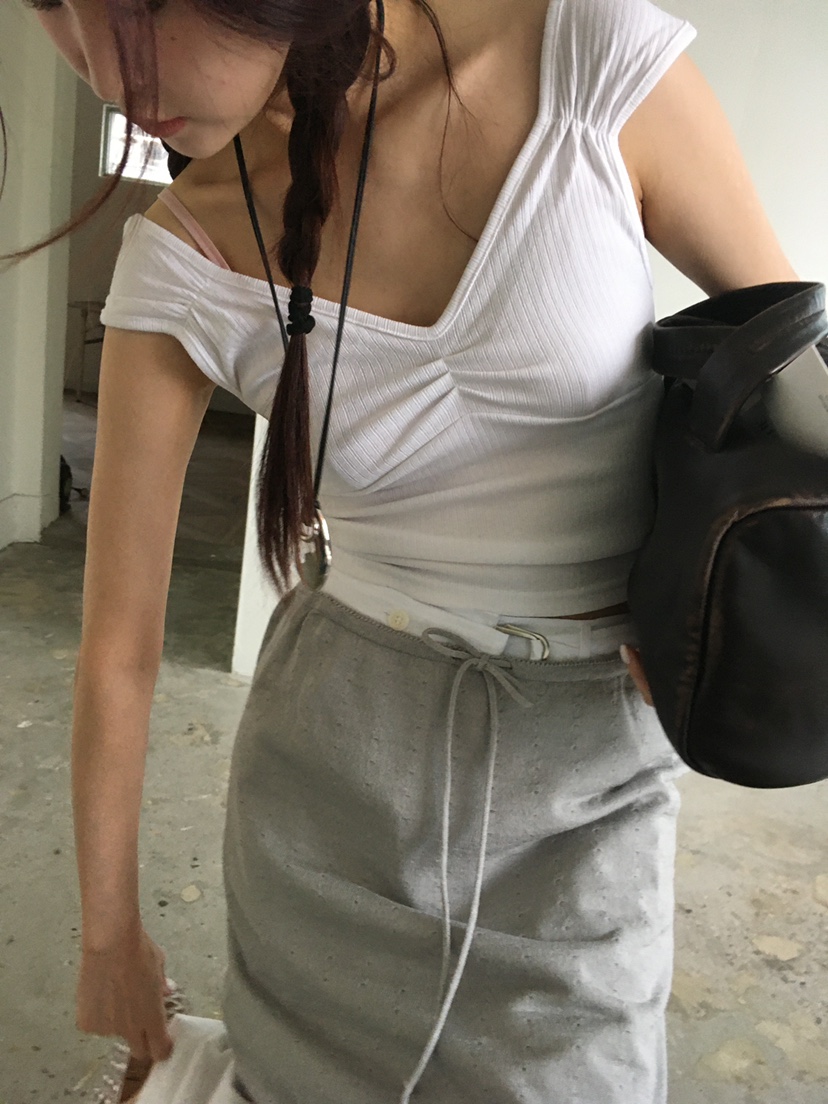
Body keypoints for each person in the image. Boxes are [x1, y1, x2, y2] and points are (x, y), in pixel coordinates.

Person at [17, 0, 799, 1101]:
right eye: (48, 6)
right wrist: (109, 937)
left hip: (586, 770)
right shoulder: (184, 251)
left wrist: (721, 634)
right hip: (329, 767)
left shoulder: (586, 64)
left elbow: (795, 405)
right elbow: (118, 650)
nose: (103, 72)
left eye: (136, 4)